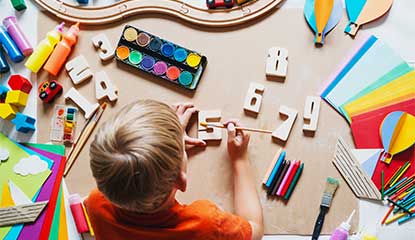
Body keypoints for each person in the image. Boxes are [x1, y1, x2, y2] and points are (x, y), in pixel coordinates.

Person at [85, 100, 264, 240]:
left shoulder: (95, 204)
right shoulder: (206, 225)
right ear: (181, 180)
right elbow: (255, 229)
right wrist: (239, 159)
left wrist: (167, 148)